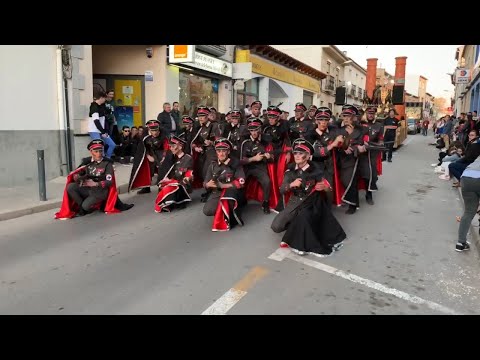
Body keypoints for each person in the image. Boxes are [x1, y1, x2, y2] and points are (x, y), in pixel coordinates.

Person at [271, 139, 346, 256]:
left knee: (304, 217)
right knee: (276, 226)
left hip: (312, 202)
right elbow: (281, 190)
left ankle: (300, 229)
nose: (297, 156)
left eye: (300, 153)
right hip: (295, 201)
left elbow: (329, 192)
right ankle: (295, 226)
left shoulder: (316, 170)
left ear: (307, 156)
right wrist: (291, 185)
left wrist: (325, 189)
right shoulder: (290, 171)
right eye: (295, 153)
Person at [55, 139, 133, 219]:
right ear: (91, 152)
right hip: (88, 188)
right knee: (70, 187)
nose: (99, 154)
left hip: (100, 192)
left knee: (85, 207)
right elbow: (79, 174)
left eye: (100, 151)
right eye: (96, 151)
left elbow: (109, 181)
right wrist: (78, 177)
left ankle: (85, 207)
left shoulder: (107, 163)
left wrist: (96, 184)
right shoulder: (87, 162)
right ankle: (81, 206)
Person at [202, 138, 246, 231]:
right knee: (207, 210)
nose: (221, 154)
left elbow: (241, 182)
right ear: (216, 152)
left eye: (224, 151)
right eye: (219, 151)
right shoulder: (212, 165)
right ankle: (225, 210)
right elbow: (205, 182)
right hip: (217, 193)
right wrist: (208, 184)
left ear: (228, 151)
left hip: (232, 193)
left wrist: (223, 186)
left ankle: (233, 214)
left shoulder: (235, 164)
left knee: (229, 199)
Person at [240, 117, 278, 214]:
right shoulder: (244, 141)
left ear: (260, 129)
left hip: (260, 167)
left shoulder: (266, 141)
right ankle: (239, 200)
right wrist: (253, 159)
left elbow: (273, 158)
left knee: (267, 181)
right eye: (251, 130)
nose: (254, 133)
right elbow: (241, 161)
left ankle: (265, 202)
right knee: (240, 180)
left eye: (256, 130)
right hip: (247, 167)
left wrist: (269, 157)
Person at [337, 104, 368, 214]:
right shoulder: (337, 127)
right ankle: (349, 200)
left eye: (348, 116)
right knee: (342, 180)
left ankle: (353, 205)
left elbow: (363, 144)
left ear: (354, 117)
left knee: (349, 181)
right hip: (339, 158)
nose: (345, 118)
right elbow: (334, 142)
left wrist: (352, 143)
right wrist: (343, 146)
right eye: (344, 115)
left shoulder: (360, 129)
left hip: (352, 159)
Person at [128, 120, 172, 194]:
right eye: (152, 131)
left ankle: (162, 187)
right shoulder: (145, 136)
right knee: (146, 168)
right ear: (149, 130)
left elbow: (166, 148)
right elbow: (143, 148)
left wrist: (164, 157)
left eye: (156, 130)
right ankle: (146, 187)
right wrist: (148, 156)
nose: (154, 133)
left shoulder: (164, 135)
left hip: (161, 152)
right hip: (150, 153)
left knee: (162, 169)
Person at [312, 107, 344, 206]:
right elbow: (315, 152)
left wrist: (344, 140)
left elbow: (342, 144)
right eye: (321, 120)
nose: (323, 122)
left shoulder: (332, 132)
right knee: (315, 191)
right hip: (315, 167)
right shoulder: (310, 134)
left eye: (326, 120)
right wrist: (332, 145)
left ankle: (328, 211)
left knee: (329, 190)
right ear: (316, 120)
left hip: (329, 167)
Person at [154, 135, 194, 213]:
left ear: (180, 147)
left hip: (183, 184)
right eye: (170, 146)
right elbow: (172, 173)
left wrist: (173, 181)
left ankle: (181, 200)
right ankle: (169, 203)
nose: (171, 148)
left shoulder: (187, 158)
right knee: (162, 185)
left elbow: (187, 174)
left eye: (173, 146)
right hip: (175, 181)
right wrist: (167, 180)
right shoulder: (173, 158)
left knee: (170, 188)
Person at [191, 106, 222, 202]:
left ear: (207, 116)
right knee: (201, 172)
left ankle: (212, 192)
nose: (201, 118)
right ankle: (208, 190)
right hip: (202, 153)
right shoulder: (199, 127)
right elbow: (193, 141)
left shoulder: (214, 126)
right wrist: (196, 147)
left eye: (203, 116)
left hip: (211, 152)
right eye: (199, 116)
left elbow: (219, 141)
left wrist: (211, 143)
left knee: (208, 172)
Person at [88, 91, 117, 159]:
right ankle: (101, 161)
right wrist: (103, 131)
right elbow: (96, 121)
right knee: (99, 147)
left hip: (102, 130)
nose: (105, 100)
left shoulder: (102, 106)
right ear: (101, 98)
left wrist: (104, 131)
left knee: (112, 144)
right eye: (104, 98)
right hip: (94, 130)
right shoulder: (94, 106)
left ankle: (107, 159)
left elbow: (104, 120)